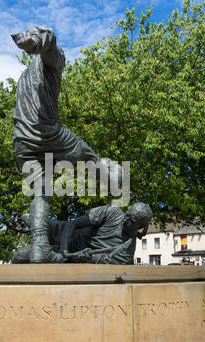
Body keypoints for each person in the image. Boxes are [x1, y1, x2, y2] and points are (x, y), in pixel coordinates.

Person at [11, 26, 122, 263]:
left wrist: (36, 42)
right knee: (86, 153)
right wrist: (38, 40)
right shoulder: (50, 64)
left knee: (42, 192)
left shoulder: (24, 77)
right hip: (46, 132)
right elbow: (50, 45)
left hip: (21, 141)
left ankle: (40, 247)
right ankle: (110, 178)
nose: (62, 65)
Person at [13, 202, 153, 265]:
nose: (126, 219)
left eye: (131, 219)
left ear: (140, 226)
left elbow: (93, 260)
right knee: (30, 217)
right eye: (127, 214)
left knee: (20, 256)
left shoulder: (126, 253)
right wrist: (64, 249)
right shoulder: (113, 213)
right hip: (63, 232)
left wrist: (71, 255)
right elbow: (73, 223)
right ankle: (48, 227)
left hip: (72, 255)